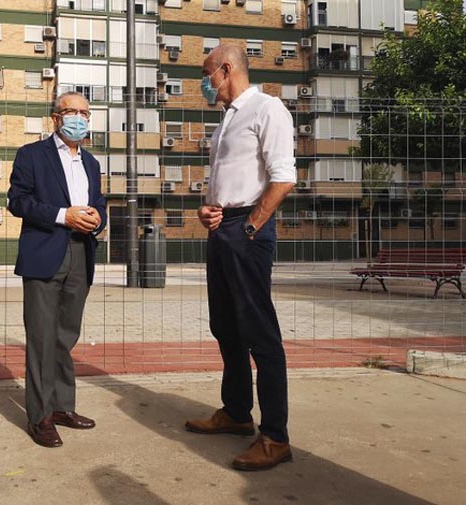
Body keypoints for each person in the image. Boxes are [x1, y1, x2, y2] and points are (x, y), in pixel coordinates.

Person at [184, 44, 297, 471]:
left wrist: (250, 225)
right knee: (226, 326)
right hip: (222, 226)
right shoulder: (228, 119)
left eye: (205, 73)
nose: (202, 82)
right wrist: (208, 207)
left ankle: (275, 437)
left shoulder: (268, 109)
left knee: (259, 332)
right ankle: (235, 413)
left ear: (225, 69)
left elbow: (283, 177)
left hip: (246, 230)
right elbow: (230, 180)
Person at [7, 92, 107, 448]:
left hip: (81, 254)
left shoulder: (92, 163)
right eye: (71, 111)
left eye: (85, 112)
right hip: (44, 254)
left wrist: (96, 219)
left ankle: (63, 406)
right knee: (41, 338)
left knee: (66, 335)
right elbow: (17, 202)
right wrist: (65, 215)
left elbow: (99, 203)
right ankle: (41, 416)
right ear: (55, 117)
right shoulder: (31, 155)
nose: (79, 118)